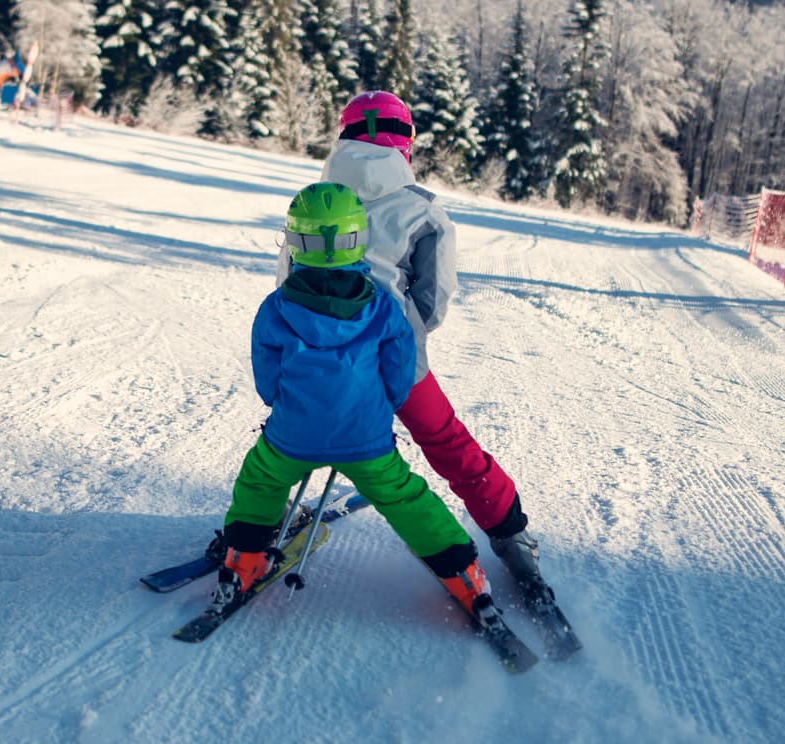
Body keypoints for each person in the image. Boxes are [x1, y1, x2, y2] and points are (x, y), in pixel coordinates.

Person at [282, 90, 551, 597]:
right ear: (405, 143)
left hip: (315, 354)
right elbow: (434, 299)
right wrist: (404, 334)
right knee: (446, 441)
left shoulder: (313, 201)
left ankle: (264, 521)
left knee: (293, 428)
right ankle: (511, 535)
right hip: (395, 356)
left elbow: (286, 283)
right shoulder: (422, 209)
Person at [215, 181, 502, 626]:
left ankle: (243, 562)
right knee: (407, 499)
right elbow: (400, 375)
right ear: (359, 238)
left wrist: (289, 406)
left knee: (260, 481)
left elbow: (267, 382)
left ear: (294, 240)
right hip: (366, 443)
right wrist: (375, 409)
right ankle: (463, 574)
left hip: (291, 438)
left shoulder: (275, 309)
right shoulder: (385, 308)